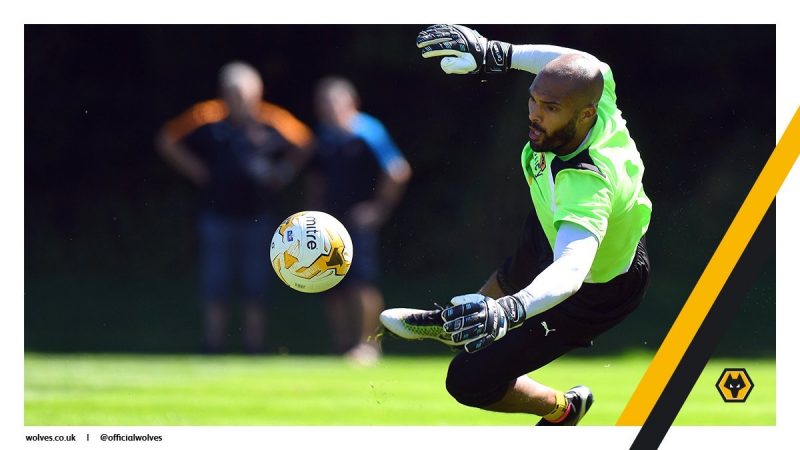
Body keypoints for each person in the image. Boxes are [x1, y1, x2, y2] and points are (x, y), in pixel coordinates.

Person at [380, 25, 651, 425]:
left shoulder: (587, 183)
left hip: (597, 286)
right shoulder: (596, 92)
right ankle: (458, 324)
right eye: (533, 100)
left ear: (586, 114)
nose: (535, 115)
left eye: (551, 108)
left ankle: (563, 409)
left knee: (468, 379)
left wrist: (511, 310)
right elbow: (584, 63)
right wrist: (498, 52)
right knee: (506, 282)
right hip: (553, 225)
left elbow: (572, 269)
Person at [156, 61, 313, 354]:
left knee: (256, 281)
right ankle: (212, 344)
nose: (239, 99)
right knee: (215, 280)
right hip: (217, 214)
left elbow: (306, 142)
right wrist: (195, 170)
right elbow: (167, 139)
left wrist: (284, 173)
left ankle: (254, 345)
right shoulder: (207, 115)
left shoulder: (273, 119)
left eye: (244, 92)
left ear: (258, 91)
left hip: (258, 216)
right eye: (232, 92)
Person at [309, 76, 412, 365]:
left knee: (361, 283)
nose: (328, 108)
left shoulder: (368, 131)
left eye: (333, 102)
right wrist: (313, 212)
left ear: (351, 103)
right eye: (323, 103)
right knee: (329, 283)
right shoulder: (324, 136)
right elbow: (316, 178)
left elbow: (398, 171)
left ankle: (368, 345)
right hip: (329, 224)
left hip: (358, 223)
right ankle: (342, 344)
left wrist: (378, 209)